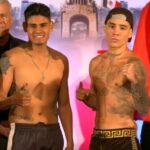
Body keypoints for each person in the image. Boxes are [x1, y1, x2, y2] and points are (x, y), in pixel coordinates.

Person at [0, 2, 73, 150]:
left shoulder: (61, 61)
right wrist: (12, 100)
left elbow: (64, 105)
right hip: (22, 131)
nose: (38, 30)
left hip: (53, 131)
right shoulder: (8, 57)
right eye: (33, 26)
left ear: (51, 26)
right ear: (25, 27)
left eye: (43, 25)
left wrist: (70, 141)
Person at [76, 7, 150, 150]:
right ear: (105, 29)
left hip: (124, 139)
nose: (116, 32)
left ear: (129, 33)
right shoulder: (95, 63)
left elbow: (144, 109)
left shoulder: (135, 62)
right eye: (112, 26)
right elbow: (100, 103)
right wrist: (86, 98)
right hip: (97, 138)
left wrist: (135, 82)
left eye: (122, 28)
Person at [0, 0, 25, 150]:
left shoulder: (24, 50)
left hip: (20, 131)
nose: (0, 20)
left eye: (3, 15)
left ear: (12, 18)